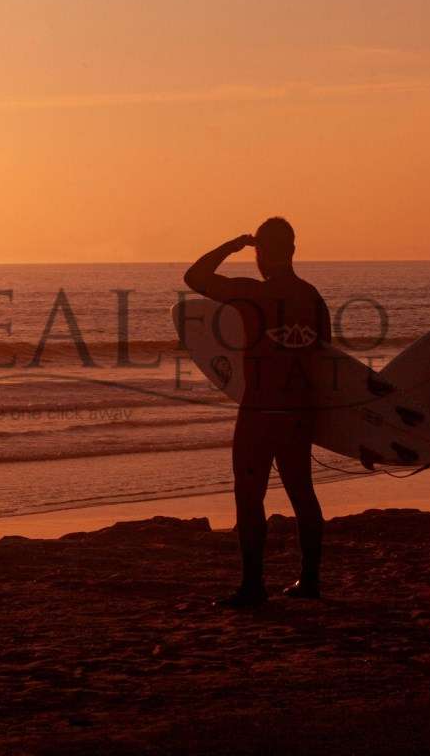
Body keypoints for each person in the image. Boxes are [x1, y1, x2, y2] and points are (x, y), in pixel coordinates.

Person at [184, 217, 331, 607]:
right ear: (294, 250)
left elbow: (195, 277)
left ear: (260, 254)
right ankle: (311, 581)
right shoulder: (313, 298)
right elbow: (326, 362)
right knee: (303, 493)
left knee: (250, 497)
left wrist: (231, 245)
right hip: (298, 410)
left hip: (260, 411)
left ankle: (253, 587)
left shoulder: (251, 294)